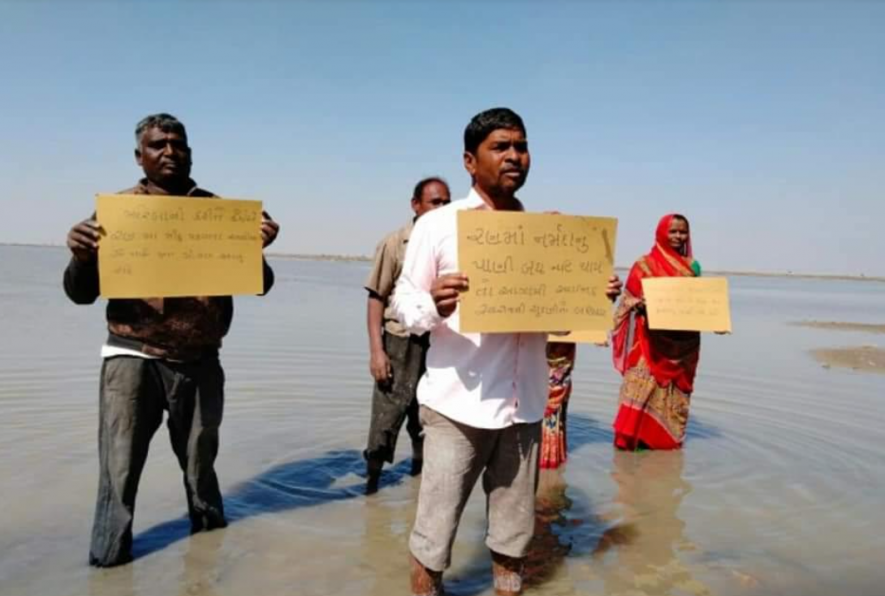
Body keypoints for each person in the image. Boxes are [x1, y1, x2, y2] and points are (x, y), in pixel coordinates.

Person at [392, 107, 622, 596]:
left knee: (514, 543)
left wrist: (592, 297)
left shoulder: (550, 235)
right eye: (500, 147)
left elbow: (561, 324)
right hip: (456, 406)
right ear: (470, 161)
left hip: (523, 408)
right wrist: (434, 303)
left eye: (521, 146)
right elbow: (403, 306)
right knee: (433, 540)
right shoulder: (438, 226)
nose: (514, 156)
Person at [63, 113, 280, 567]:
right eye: (158, 145)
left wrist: (254, 250)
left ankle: (207, 560)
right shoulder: (114, 214)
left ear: (190, 153)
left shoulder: (217, 211)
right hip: (131, 357)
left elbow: (259, 284)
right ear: (139, 157)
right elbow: (80, 294)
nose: (169, 152)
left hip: (200, 360)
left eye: (177, 144)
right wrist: (82, 257)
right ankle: (108, 567)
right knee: (118, 473)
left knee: (202, 470)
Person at [363, 177, 451, 494]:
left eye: (446, 202)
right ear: (416, 205)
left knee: (426, 423)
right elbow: (376, 297)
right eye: (435, 202)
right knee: (385, 422)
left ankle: (418, 480)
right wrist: (377, 352)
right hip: (399, 342)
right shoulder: (395, 244)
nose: (441, 208)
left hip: (438, 342)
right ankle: (370, 487)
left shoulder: (451, 245)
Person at [611, 214, 702, 451]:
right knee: (641, 388)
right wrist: (639, 304)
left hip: (682, 344)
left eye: (682, 232)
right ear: (661, 233)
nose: (678, 236)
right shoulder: (644, 265)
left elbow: (698, 303)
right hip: (648, 341)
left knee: (672, 394)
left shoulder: (692, 267)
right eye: (673, 231)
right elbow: (627, 299)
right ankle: (632, 444)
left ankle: (664, 443)